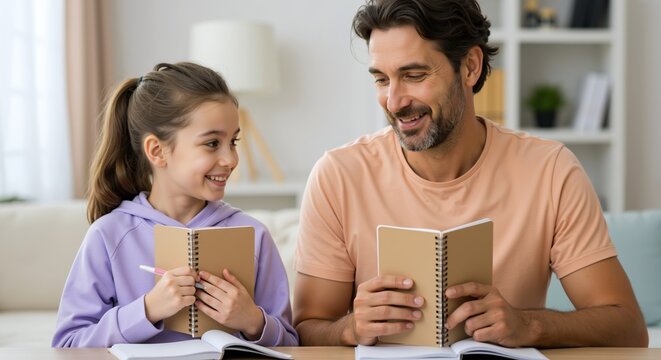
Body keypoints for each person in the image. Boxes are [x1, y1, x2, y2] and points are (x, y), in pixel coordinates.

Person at [293, 0, 647, 348]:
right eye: (382, 80)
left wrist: (530, 325)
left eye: (414, 75)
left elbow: (628, 327)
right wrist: (351, 328)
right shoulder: (338, 176)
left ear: (470, 67)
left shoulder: (551, 171)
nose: (394, 101)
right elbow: (305, 330)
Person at [52, 62, 298, 347]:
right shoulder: (108, 235)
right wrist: (146, 311)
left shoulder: (253, 235)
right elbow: (67, 345)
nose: (231, 159)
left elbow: (291, 344)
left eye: (233, 141)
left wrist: (253, 321)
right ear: (157, 151)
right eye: (211, 144)